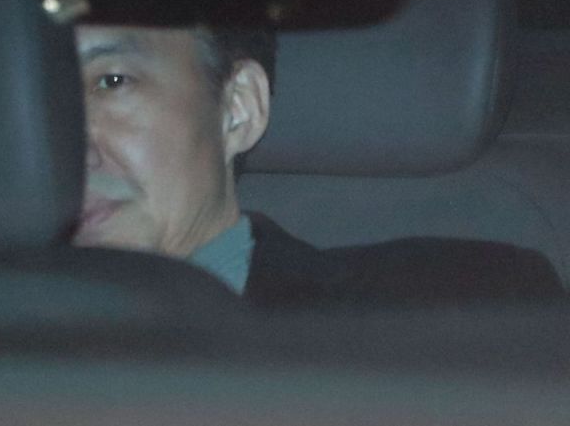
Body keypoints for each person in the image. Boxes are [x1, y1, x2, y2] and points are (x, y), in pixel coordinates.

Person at [73, 23, 565, 306]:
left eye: (112, 82)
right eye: (39, 95)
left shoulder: (469, 310)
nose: (64, 141)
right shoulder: (23, 345)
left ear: (238, 108)